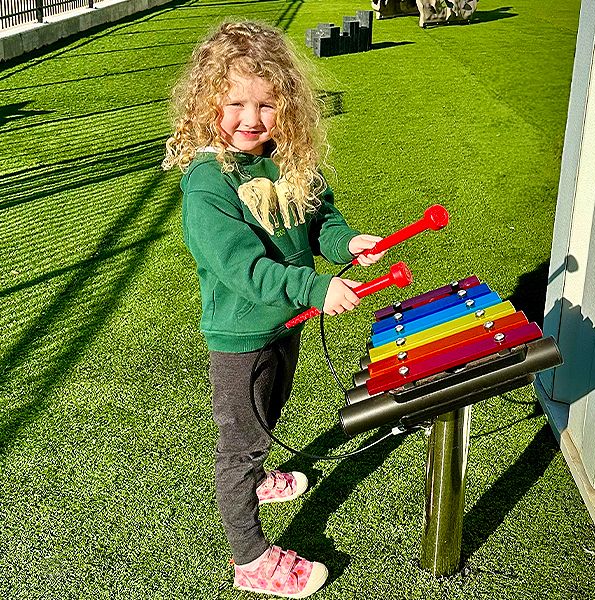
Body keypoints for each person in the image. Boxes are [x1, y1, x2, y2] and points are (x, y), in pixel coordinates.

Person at [163, 20, 386, 598]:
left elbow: (319, 219)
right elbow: (244, 269)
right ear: (207, 102)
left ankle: (261, 478)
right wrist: (315, 289)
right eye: (235, 102)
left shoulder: (284, 160)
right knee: (240, 444)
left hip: (285, 324)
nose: (251, 118)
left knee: (270, 412)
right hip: (241, 335)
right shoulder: (208, 184)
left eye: (266, 104)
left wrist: (347, 244)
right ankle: (250, 558)